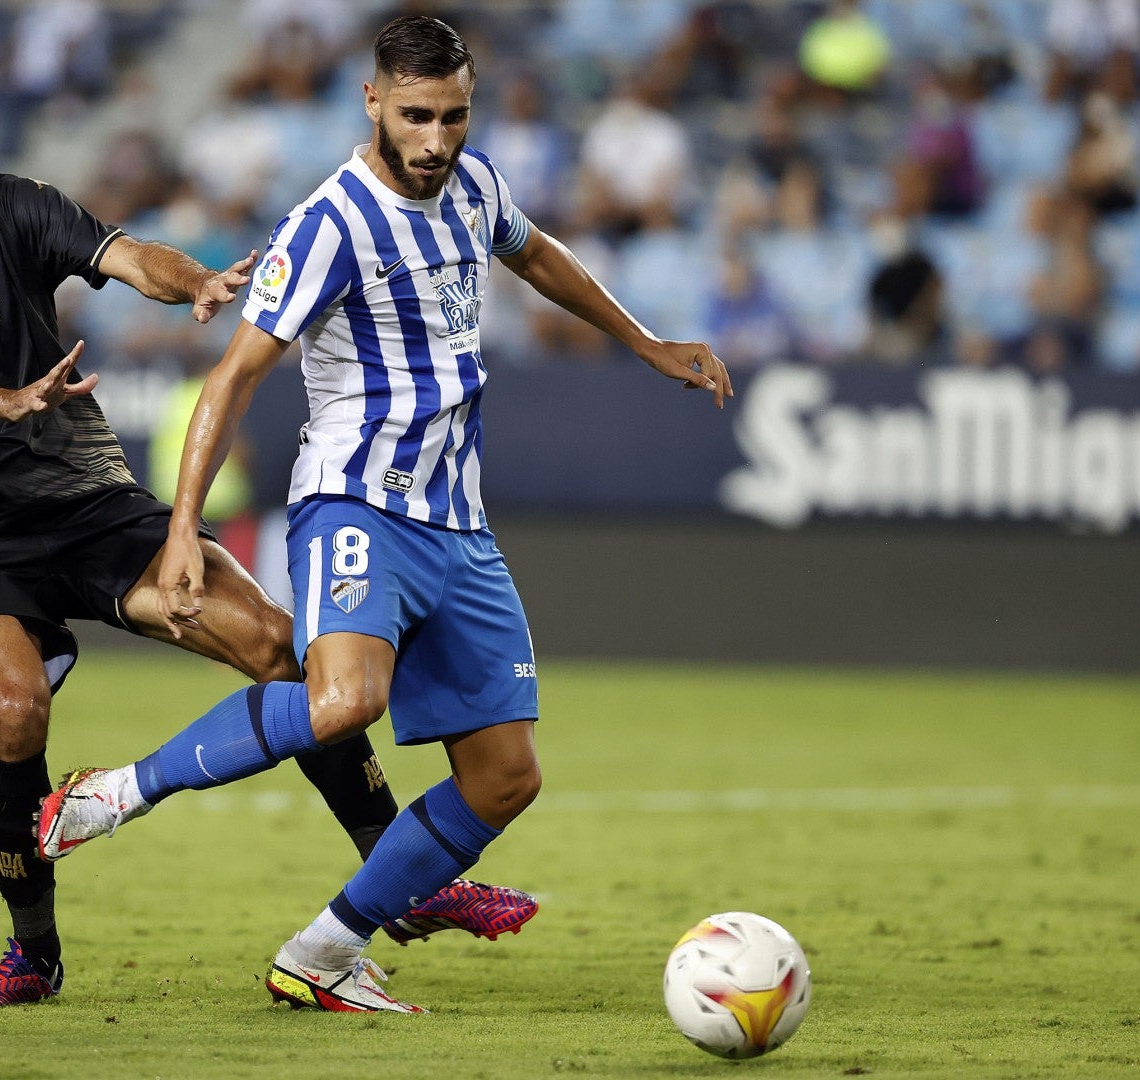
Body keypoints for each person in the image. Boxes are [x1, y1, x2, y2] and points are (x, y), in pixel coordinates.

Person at [0, 29, 535, 1009]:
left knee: (281, 649)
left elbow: (121, 253)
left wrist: (195, 282)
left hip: (86, 502)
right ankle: (33, 955)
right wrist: (5, 403)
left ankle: (401, 888)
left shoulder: (9, 205)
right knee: (15, 710)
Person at [36, 15, 732, 1013]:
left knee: (505, 778)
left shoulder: (478, 184)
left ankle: (322, 953)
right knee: (343, 701)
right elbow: (232, 378)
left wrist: (645, 339)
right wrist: (183, 527)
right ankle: (120, 791)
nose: (436, 139)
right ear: (373, 102)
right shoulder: (330, 223)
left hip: (460, 524)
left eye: (453, 115)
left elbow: (539, 258)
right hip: (355, 502)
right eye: (416, 115)